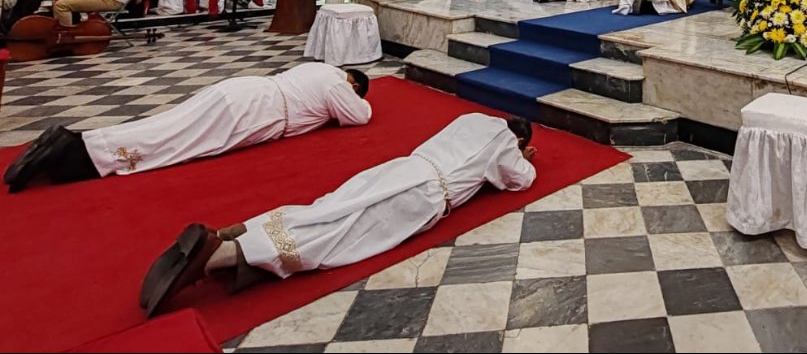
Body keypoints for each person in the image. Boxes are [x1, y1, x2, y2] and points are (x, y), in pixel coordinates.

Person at [138, 113, 534, 317]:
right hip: (422, 193)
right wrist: (522, 158)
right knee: (338, 237)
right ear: (517, 138)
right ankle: (222, 255)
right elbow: (520, 181)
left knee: (325, 210)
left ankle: (235, 233)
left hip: (397, 169)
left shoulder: (472, 120)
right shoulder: (505, 142)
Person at [4, 64, 372, 193]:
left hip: (244, 90)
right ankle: (79, 157)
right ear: (353, 83)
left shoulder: (316, 68)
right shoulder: (339, 85)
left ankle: (78, 141)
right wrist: (361, 99)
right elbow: (359, 116)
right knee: (175, 143)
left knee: (166, 124)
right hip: (257, 112)